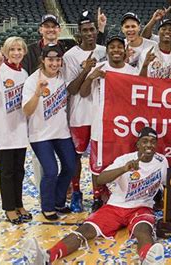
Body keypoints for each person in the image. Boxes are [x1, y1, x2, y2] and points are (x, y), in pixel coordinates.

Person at [22, 127, 168, 265]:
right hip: (116, 206)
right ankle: (47, 257)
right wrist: (124, 169)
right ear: (138, 144)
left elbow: (168, 184)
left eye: (153, 141)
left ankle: (147, 258)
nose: (149, 145)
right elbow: (100, 179)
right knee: (85, 230)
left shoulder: (162, 162)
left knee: (144, 230)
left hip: (141, 207)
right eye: (145, 141)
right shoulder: (125, 160)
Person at [79, 35, 140, 212]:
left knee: (124, 162)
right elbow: (83, 94)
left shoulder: (132, 72)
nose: (116, 50)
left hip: (123, 127)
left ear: (125, 50)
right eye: (112, 47)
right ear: (107, 51)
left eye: (119, 47)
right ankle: (97, 196)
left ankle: (124, 194)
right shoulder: (100, 68)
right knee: (98, 165)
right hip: (101, 126)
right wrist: (91, 77)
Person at [22, 44, 77, 220]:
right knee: (51, 171)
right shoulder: (32, 80)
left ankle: (59, 202)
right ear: (43, 60)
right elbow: (27, 111)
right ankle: (47, 206)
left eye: (57, 59)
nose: (54, 63)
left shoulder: (63, 76)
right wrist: (37, 94)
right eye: (50, 59)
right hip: (40, 135)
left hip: (61, 132)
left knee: (70, 166)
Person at [62, 10, 107, 213]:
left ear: (97, 31)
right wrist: (86, 70)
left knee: (98, 159)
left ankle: (98, 195)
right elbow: (71, 89)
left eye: (92, 30)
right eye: (85, 30)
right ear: (79, 33)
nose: (89, 33)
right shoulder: (70, 56)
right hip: (79, 115)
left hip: (99, 113)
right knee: (75, 158)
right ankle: (77, 193)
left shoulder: (105, 51)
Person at [0, 37, 31, 224]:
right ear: (6, 51)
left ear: (24, 51)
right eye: (12, 49)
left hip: (20, 129)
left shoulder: (24, 73)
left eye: (19, 49)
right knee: (7, 171)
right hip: (4, 130)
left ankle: (19, 203)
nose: (16, 52)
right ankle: (9, 207)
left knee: (19, 170)